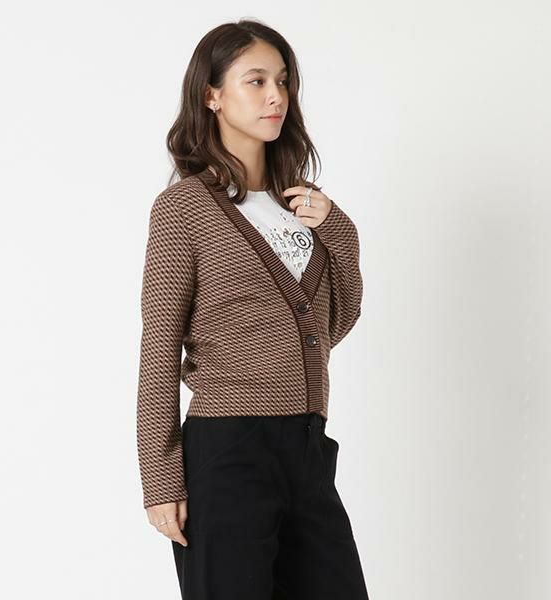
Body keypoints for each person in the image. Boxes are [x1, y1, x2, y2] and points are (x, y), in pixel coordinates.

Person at [136, 18, 370, 600]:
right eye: (256, 80)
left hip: (308, 448)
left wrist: (338, 230)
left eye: (283, 81)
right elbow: (159, 346)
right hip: (228, 449)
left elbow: (333, 324)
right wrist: (160, 476)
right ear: (211, 96)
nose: (275, 96)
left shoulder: (304, 206)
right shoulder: (183, 208)